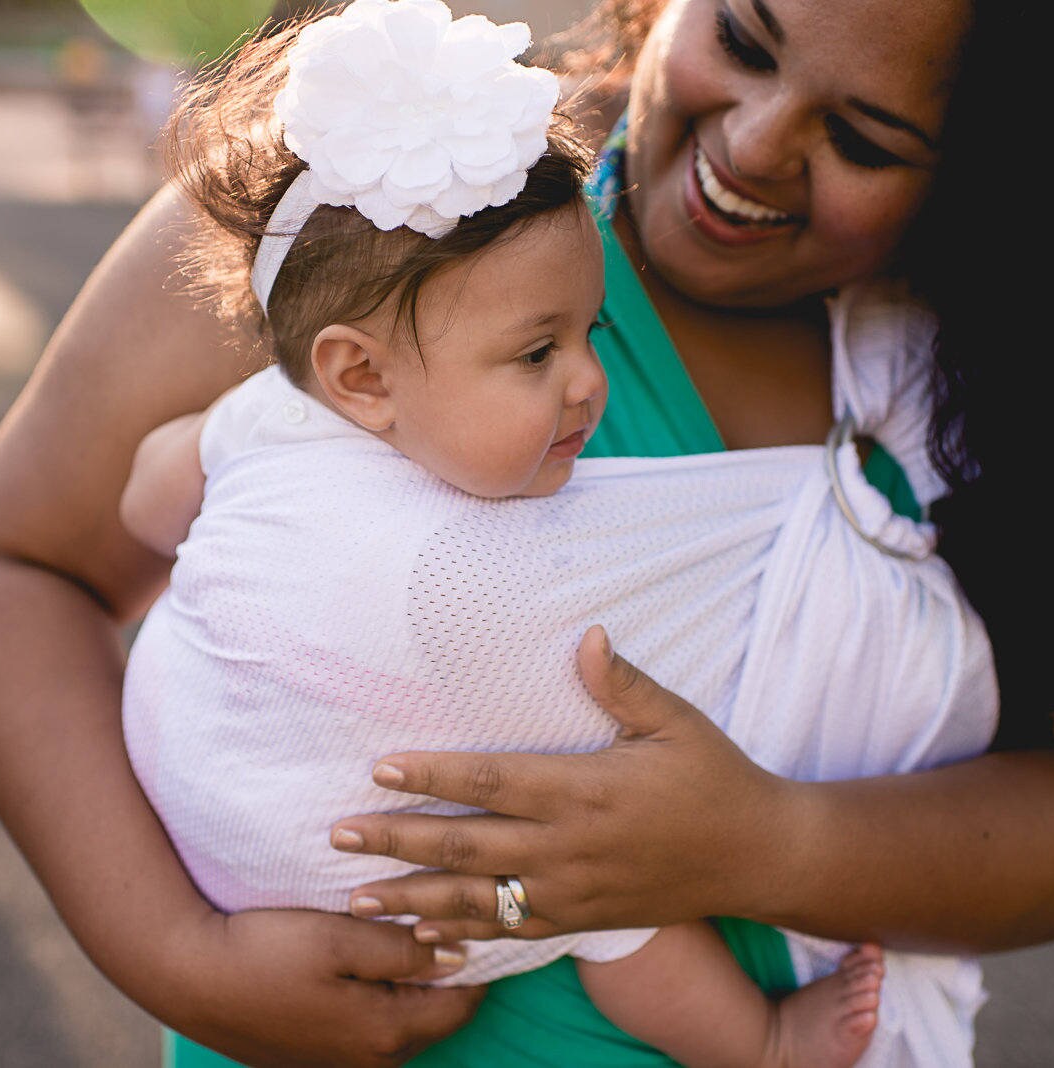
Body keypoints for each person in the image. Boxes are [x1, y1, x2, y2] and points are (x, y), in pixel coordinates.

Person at [0, 1, 1054, 1066]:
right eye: (743, 38)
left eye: (871, 140)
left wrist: (765, 846)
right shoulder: (368, 226)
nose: (757, 144)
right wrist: (167, 952)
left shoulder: (1029, 401)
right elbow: (12, 563)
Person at [114, 4, 961, 1064]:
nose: (587, 383)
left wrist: (205, 479)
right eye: (534, 355)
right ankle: (764, 1043)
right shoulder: (496, 590)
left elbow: (144, 506)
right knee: (606, 887)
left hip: (227, 834)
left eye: (591, 330)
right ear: (360, 376)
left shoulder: (266, 420)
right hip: (357, 893)